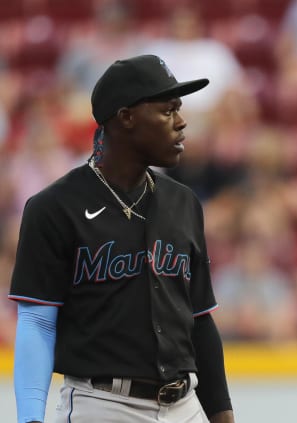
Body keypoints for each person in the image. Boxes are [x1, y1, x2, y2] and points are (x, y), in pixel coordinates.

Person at [9, 55, 234, 423]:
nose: (181, 122)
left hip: (185, 404)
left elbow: (200, 321)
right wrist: (30, 418)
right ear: (126, 117)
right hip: (104, 405)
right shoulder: (54, 207)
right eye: (167, 110)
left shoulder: (184, 202)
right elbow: (37, 321)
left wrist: (222, 415)